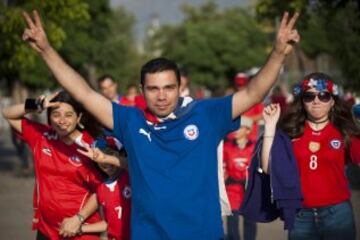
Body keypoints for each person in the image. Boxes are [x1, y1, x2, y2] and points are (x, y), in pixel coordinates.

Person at [21, 10, 300, 239]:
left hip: (202, 234)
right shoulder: (129, 120)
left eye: (169, 87)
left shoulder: (205, 114)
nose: (162, 95)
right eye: (153, 88)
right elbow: (82, 93)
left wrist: (278, 54)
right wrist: (46, 49)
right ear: (142, 90)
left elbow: (253, 93)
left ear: (180, 87)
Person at [261, 73, 360, 240]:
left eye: (323, 95)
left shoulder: (345, 132)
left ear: (332, 100)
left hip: (337, 215)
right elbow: (268, 168)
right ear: (302, 100)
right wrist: (270, 127)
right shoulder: (291, 131)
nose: (316, 101)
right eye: (309, 96)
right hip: (300, 216)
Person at [1, 90, 103, 239]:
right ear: (49, 117)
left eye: (68, 115)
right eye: (56, 115)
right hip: (46, 229)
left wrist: (79, 218)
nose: (62, 120)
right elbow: (7, 113)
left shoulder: (92, 146)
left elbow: (101, 189)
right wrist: (36, 104)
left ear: (79, 117)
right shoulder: (41, 136)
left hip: (80, 230)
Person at [60, 136, 131, 240]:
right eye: (98, 156)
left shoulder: (132, 177)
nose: (104, 160)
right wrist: (79, 228)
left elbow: (132, 165)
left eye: (110, 153)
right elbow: (108, 224)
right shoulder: (101, 189)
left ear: (121, 154)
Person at [223, 125, 257, 240]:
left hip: (249, 189)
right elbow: (222, 167)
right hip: (232, 188)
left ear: (247, 130)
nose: (235, 130)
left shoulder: (255, 147)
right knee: (232, 221)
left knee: (250, 220)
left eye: (239, 128)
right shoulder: (227, 146)